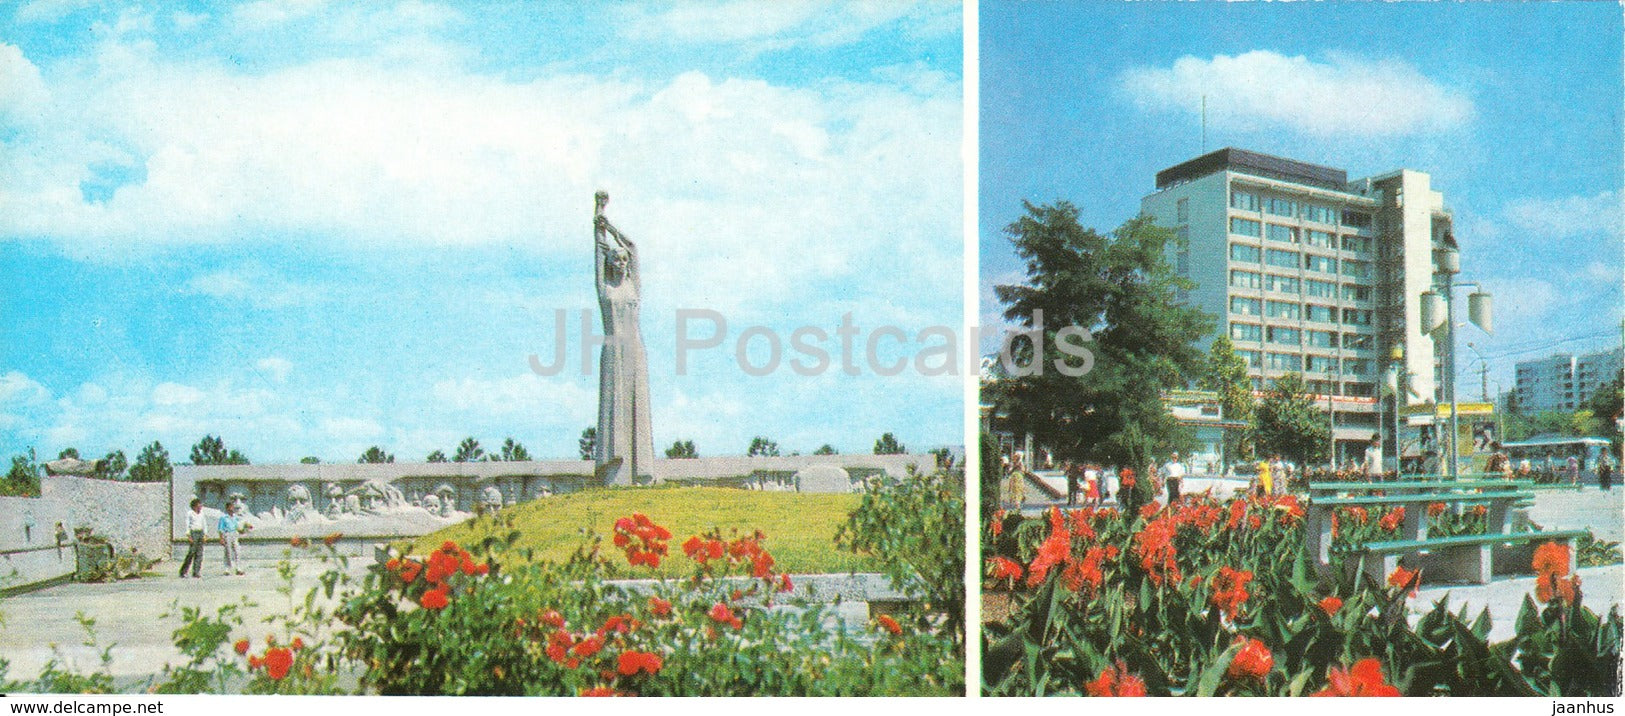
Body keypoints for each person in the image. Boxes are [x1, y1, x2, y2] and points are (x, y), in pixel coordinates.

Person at [179, 498, 207, 579]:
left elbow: (204, 524)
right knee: (191, 552)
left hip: (200, 532)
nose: (200, 506)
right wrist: (188, 536)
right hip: (193, 533)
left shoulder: (202, 513)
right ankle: (183, 571)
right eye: (199, 504)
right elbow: (187, 524)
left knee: (199, 553)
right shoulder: (190, 513)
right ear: (195, 506)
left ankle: (196, 572)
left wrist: (205, 534)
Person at [218, 500, 246, 576]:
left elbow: (238, 526)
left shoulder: (235, 517)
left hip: (234, 534)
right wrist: (221, 538)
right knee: (228, 552)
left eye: (233, 507)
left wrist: (243, 529)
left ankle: (238, 568)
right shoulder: (223, 517)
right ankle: (227, 569)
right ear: (227, 508)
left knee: (237, 551)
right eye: (231, 507)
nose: (232, 508)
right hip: (227, 534)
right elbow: (220, 529)